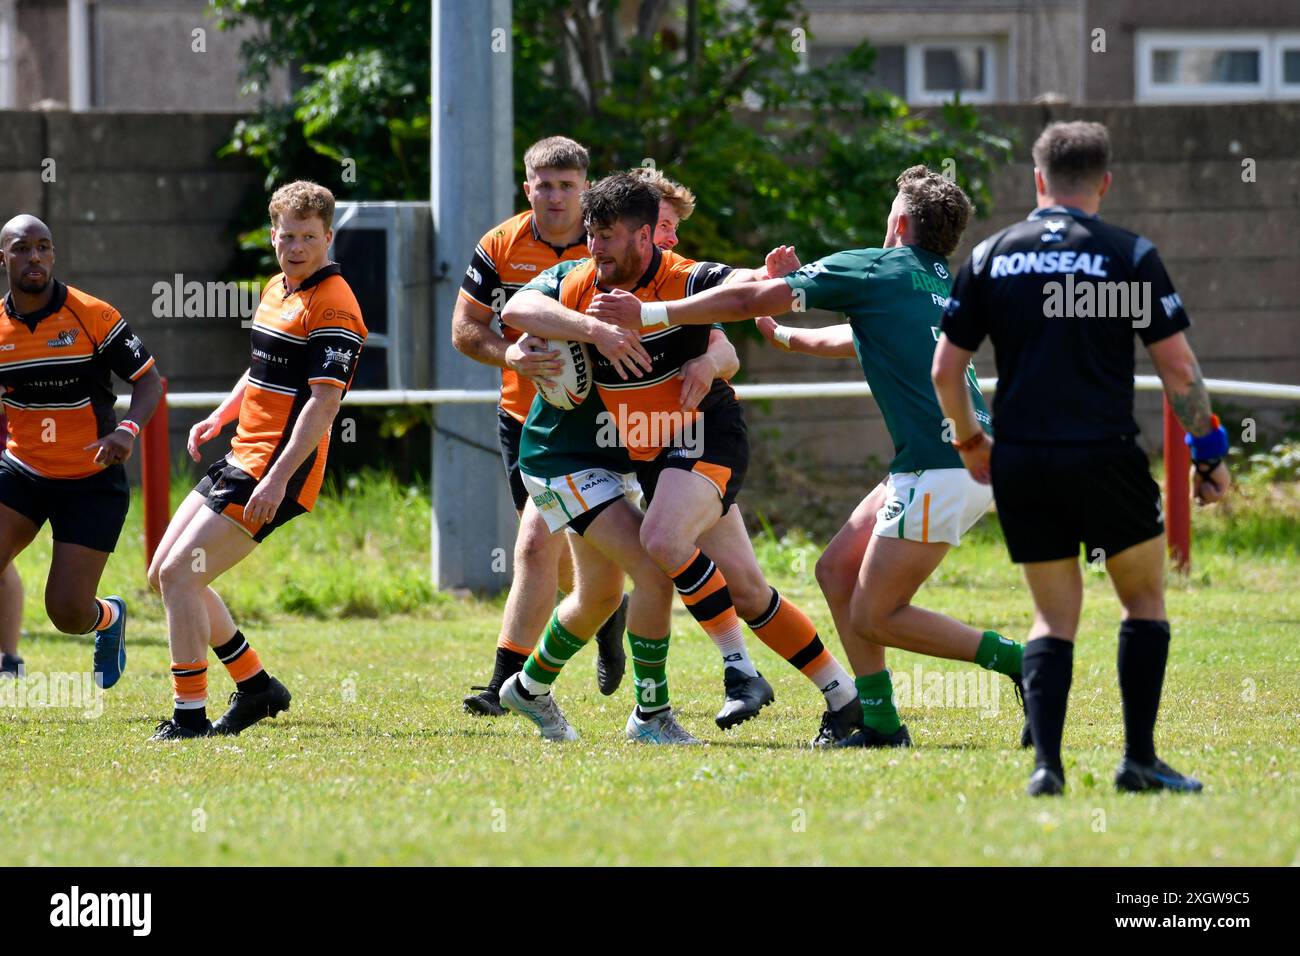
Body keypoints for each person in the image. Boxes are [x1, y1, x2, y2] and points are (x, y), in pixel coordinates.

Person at [589, 166, 1028, 748]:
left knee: (878, 615)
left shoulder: (875, 265)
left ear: (898, 222)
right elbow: (850, 339)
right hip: (950, 460)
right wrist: (785, 336)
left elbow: (748, 295)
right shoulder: (942, 283)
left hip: (940, 468)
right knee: (835, 570)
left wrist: (647, 314)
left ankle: (1025, 663)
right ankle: (879, 723)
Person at [498, 172, 856, 743]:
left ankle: (806, 688)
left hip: (685, 442)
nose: (594, 246)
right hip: (567, 456)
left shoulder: (681, 279)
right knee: (641, 573)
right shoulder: (577, 281)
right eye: (591, 234)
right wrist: (581, 334)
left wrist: (766, 286)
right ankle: (654, 710)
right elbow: (517, 309)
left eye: (607, 236)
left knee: (671, 577)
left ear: (646, 237)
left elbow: (734, 306)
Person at [931, 120, 1228, 795]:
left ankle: (1048, 769)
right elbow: (1178, 369)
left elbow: (945, 372)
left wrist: (971, 441)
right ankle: (1140, 762)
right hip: (1105, 456)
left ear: (1038, 181)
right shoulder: (1129, 254)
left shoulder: (990, 256)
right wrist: (1208, 453)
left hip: (1024, 461)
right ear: (1104, 182)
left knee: (1051, 616)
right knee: (1143, 599)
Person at [146, 181, 367, 740]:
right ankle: (256, 686)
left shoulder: (334, 303)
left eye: (308, 237)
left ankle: (189, 715)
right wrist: (221, 416)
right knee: (162, 576)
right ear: (273, 235)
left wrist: (276, 480)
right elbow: (262, 367)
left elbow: (323, 403)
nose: (296, 247)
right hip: (242, 455)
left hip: (278, 472)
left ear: (328, 237)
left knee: (179, 577)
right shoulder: (277, 288)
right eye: (287, 236)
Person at [453, 136, 627, 714]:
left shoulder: (607, 242)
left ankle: (505, 684)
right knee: (554, 551)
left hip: (594, 425)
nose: (555, 196)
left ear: (585, 186)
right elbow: (465, 330)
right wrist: (511, 357)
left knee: (533, 544)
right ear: (527, 188)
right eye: (543, 185)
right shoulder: (499, 245)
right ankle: (606, 609)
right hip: (522, 419)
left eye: (567, 185)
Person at [0, 214, 163, 687]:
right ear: (3, 257)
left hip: (90, 481)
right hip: (22, 473)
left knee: (67, 613)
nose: (35, 257)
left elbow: (148, 380)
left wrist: (128, 430)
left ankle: (108, 617)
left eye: (44, 247)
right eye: (23, 248)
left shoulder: (92, 315)